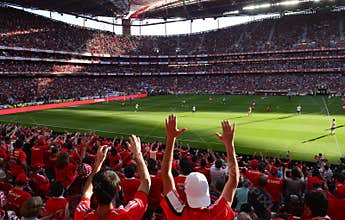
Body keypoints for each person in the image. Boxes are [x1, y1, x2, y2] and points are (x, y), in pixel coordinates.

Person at [160, 114, 238, 219]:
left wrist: (170, 139)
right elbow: (233, 180)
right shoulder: (218, 214)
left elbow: (165, 174)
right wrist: (230, 145)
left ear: (185, 191)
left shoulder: (176, 212)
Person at [74, 135, 151, 220]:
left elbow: (86, 194)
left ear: (94, 191)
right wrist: (138, 154)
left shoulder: (82, 215)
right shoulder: (126, 216)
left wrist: (98, 163)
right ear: (118, 188)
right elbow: (146, 182)